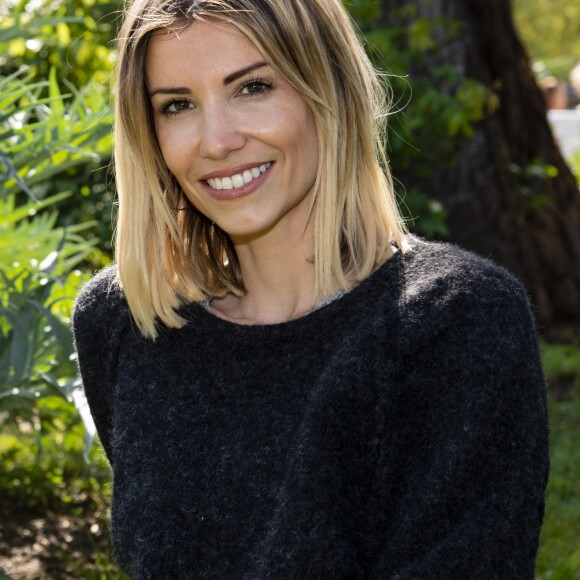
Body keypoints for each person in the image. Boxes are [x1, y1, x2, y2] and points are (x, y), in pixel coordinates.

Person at [72, 0, 549, 578]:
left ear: (329, 88)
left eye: (251, 87)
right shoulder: (124, 322)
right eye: (177, 105)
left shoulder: (454, 323)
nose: (217, 140)